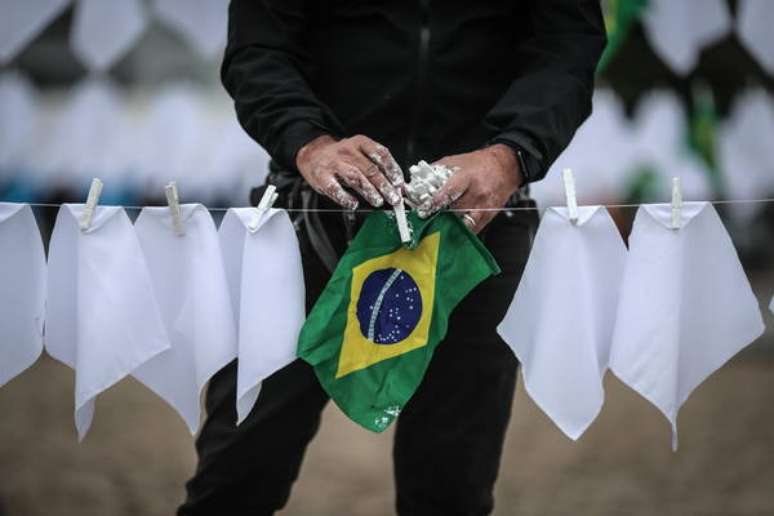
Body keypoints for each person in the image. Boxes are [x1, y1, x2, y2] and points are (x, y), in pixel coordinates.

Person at [179, 1, 606, 514]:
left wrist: (511, 154)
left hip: (476, 227)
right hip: (306, 219)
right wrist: (308, 142)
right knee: (236, 474)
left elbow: (568, 48)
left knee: (451, 489)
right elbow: (258, 47)